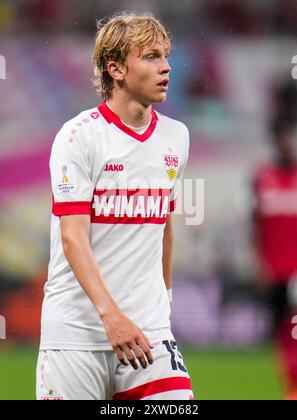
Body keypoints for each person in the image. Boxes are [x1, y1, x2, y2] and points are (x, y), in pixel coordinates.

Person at [36, 12, 194, 400]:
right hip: (77, 336)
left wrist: (165, 297)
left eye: (166, 56)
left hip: (149, 331)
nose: (166, 66)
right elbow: (73, 238)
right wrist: (111, 317)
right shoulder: (79, 137)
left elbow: (164, 222)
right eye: (152, 56)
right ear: (116, 68)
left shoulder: (176, 137)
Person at [252, 121, 297, 400]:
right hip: (274, 271)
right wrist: (260, 263)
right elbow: (254, 223)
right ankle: (291, 384)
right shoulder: (263, 178)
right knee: (281, 331)